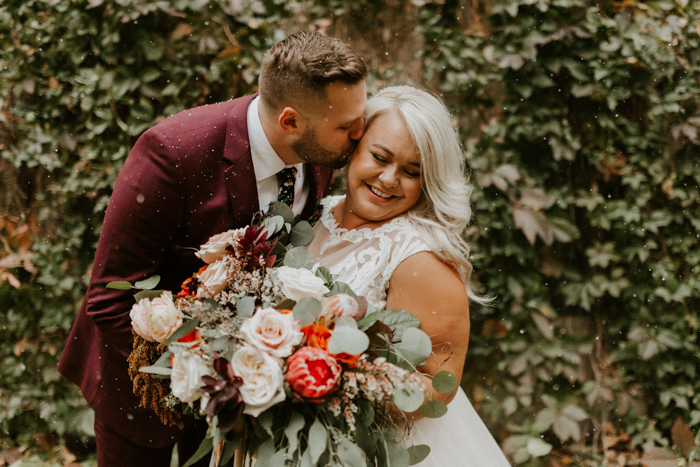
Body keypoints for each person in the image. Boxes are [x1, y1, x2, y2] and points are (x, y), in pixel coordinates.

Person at [58, 31, 367, 467]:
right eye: (346, 127)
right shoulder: (173, 154)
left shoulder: (319, 152)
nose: (360, 135)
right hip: (140, 386)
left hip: (247, 401)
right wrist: (211, 368)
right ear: (290, 121)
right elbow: (110, 297)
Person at [307, 86, 511, 466]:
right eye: (380, 157)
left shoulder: (421, 258)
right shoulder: (313, 213)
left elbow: (438, 387)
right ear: (355, 145)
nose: (388, 178)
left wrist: (328, 382)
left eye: (411, 172)